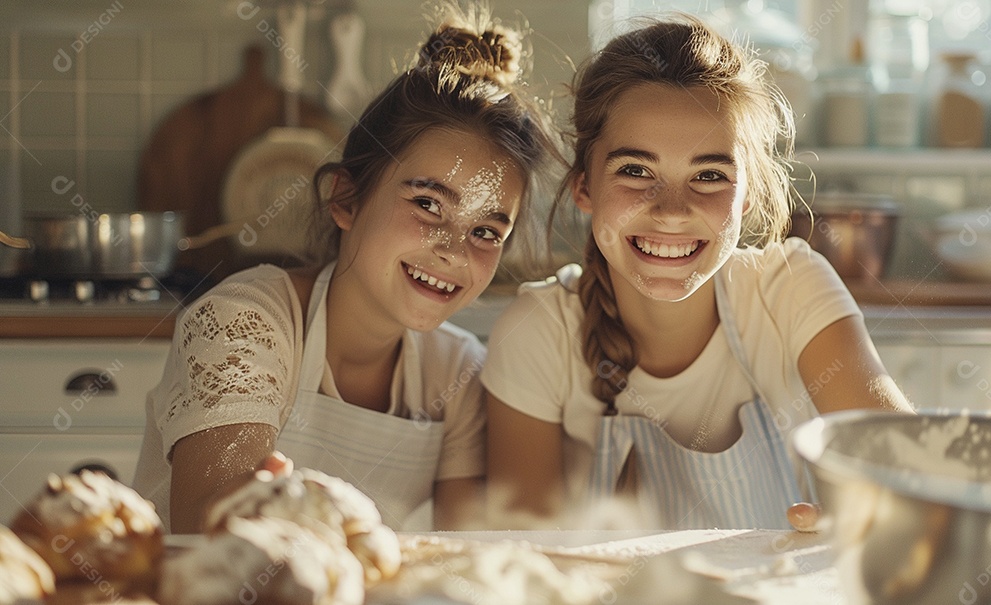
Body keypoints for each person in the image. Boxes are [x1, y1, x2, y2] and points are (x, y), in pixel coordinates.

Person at [133, 4, 558, 534]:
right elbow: (214, 535)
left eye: (486, 232)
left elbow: (459, 559)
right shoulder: (243, 323)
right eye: (428, 204)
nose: (454, 251)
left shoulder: (460, 372)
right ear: (346, 199)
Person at [481, 16, 913, 530]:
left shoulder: (790, 289)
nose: (671, 210)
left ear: (748, 194)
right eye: (636, 171)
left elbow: (907, 473)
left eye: (709, 176)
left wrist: (874, 514)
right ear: (584, 187)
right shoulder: (538, 332)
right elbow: (522, 568)